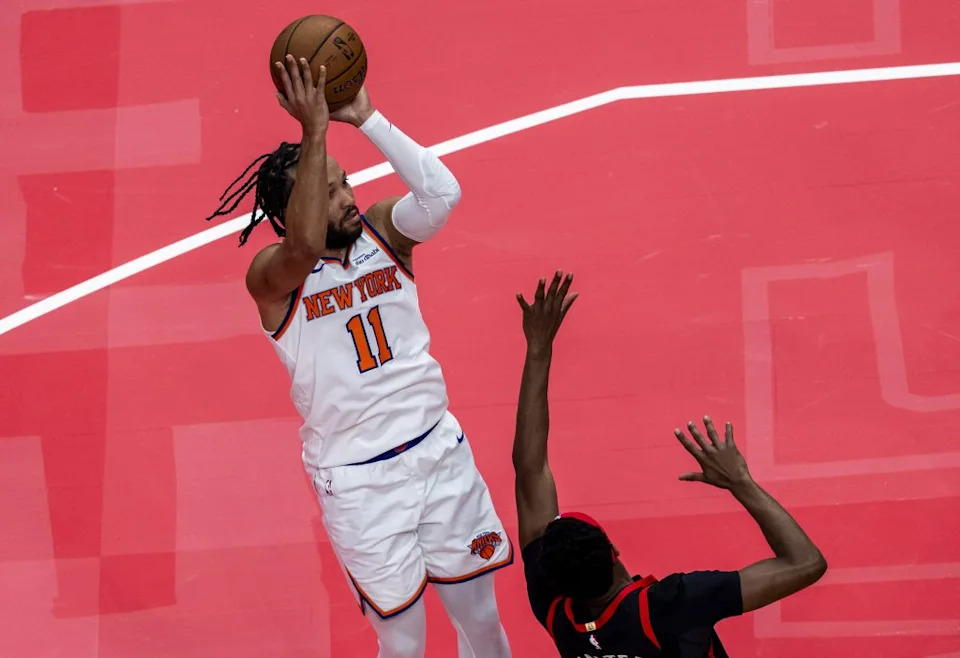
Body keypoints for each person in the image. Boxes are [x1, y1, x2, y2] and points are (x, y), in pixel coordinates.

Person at [205, 56, 512, 658]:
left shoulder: (383, 233)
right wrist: (313, 132)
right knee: (403, 645)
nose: (346, 197)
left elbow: (443, 193)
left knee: (481, 621)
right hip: (359, 483)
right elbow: (305, 244)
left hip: (439, 454)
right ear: (290, 213)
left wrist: (364, 117)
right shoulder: (274, 278)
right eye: (326, 192)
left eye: (344, 182)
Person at [512, 271, 828, 657]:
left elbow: (530, 472)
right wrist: (741, 482)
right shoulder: (672, 605)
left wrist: (537, 348)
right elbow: (806, 563)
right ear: (613, 553)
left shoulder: (555, 609)